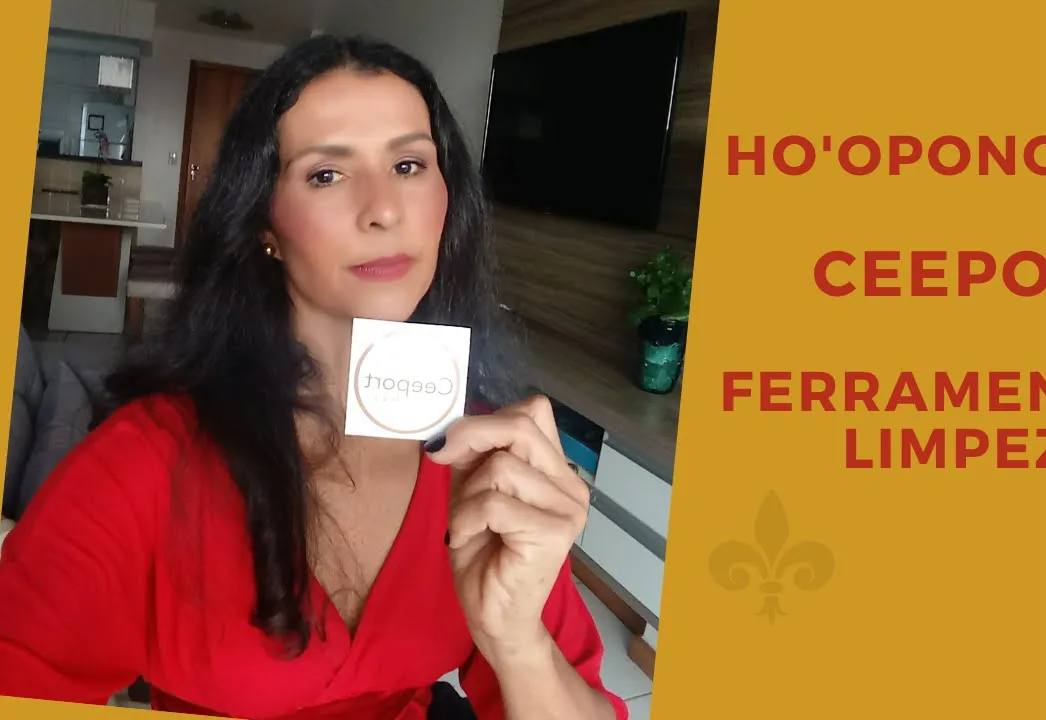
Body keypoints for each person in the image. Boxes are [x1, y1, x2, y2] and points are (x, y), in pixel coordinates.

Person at [0, 35, 627, 720]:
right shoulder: (147, 461)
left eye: (409, 165)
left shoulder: (481, 455)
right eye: (326, 174)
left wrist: (518, 642)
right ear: (264, 222)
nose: (383, 209)